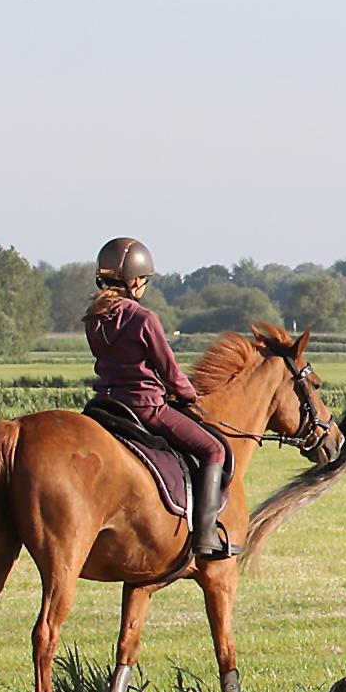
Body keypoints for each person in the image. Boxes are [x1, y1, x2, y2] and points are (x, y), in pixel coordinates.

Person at [82, 237, 236, 564]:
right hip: (146, 407)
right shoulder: (143, 319)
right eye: (145, 280)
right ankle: (206, 536)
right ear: (135, 280)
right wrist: (188, 395)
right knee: (215, 449)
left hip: (105, 405)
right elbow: (169, 369)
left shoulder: (93, 319)